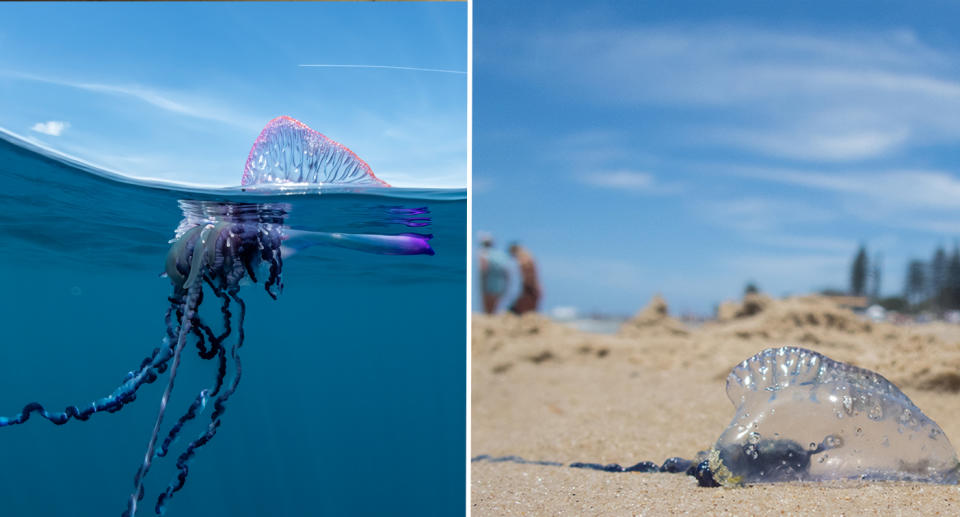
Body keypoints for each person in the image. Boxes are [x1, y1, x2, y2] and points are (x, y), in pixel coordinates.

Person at [478, 233, 510, 314]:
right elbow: (506, 271)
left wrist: (481, 283)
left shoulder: (483, 253)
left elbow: (483, 269)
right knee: (495, 306)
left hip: (488, 282)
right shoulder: (499, 255)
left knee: (487, 307)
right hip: (500, 283)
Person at [508, 242, 541, 314]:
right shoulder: (527, 255)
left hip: (530, 287)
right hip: (531, 287)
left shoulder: (523, 256)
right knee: (528, 310)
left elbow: (527, 271)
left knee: (526, 310)